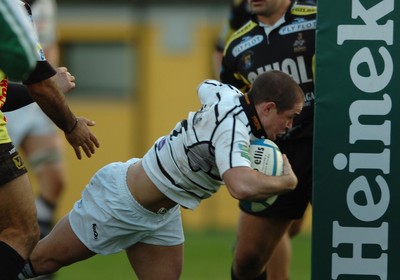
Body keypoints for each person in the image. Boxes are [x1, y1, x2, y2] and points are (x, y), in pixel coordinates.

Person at [18, 71, 303, 279]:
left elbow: (203, 85)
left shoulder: (228, 95)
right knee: (38, 263)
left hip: (161, 216)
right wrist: (286, 182)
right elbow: (240, 186)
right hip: (119, 204)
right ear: (267, 108)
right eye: (289, 117)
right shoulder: (232, 131)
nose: (289, 126)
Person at [0, 1, 99, 278]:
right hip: (36, 96)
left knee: (54, 182)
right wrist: (70, 124)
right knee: (21, 231)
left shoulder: (42, 6)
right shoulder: (11, 8)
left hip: (31, 99)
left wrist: (45, 87)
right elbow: (35, 76)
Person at [219, 1, 316, 279]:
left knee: (344, 242)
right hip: (275, 158)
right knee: (247, 259)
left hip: (327, 151)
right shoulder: (237, 45)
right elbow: (232, 106)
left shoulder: (319, 22)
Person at [4, 0, 67, 243]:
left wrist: (51, 88)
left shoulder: (47, 5)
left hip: (38, 100)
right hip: (9, 97)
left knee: (55, 182)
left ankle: (38, 265)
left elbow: (49, 45)